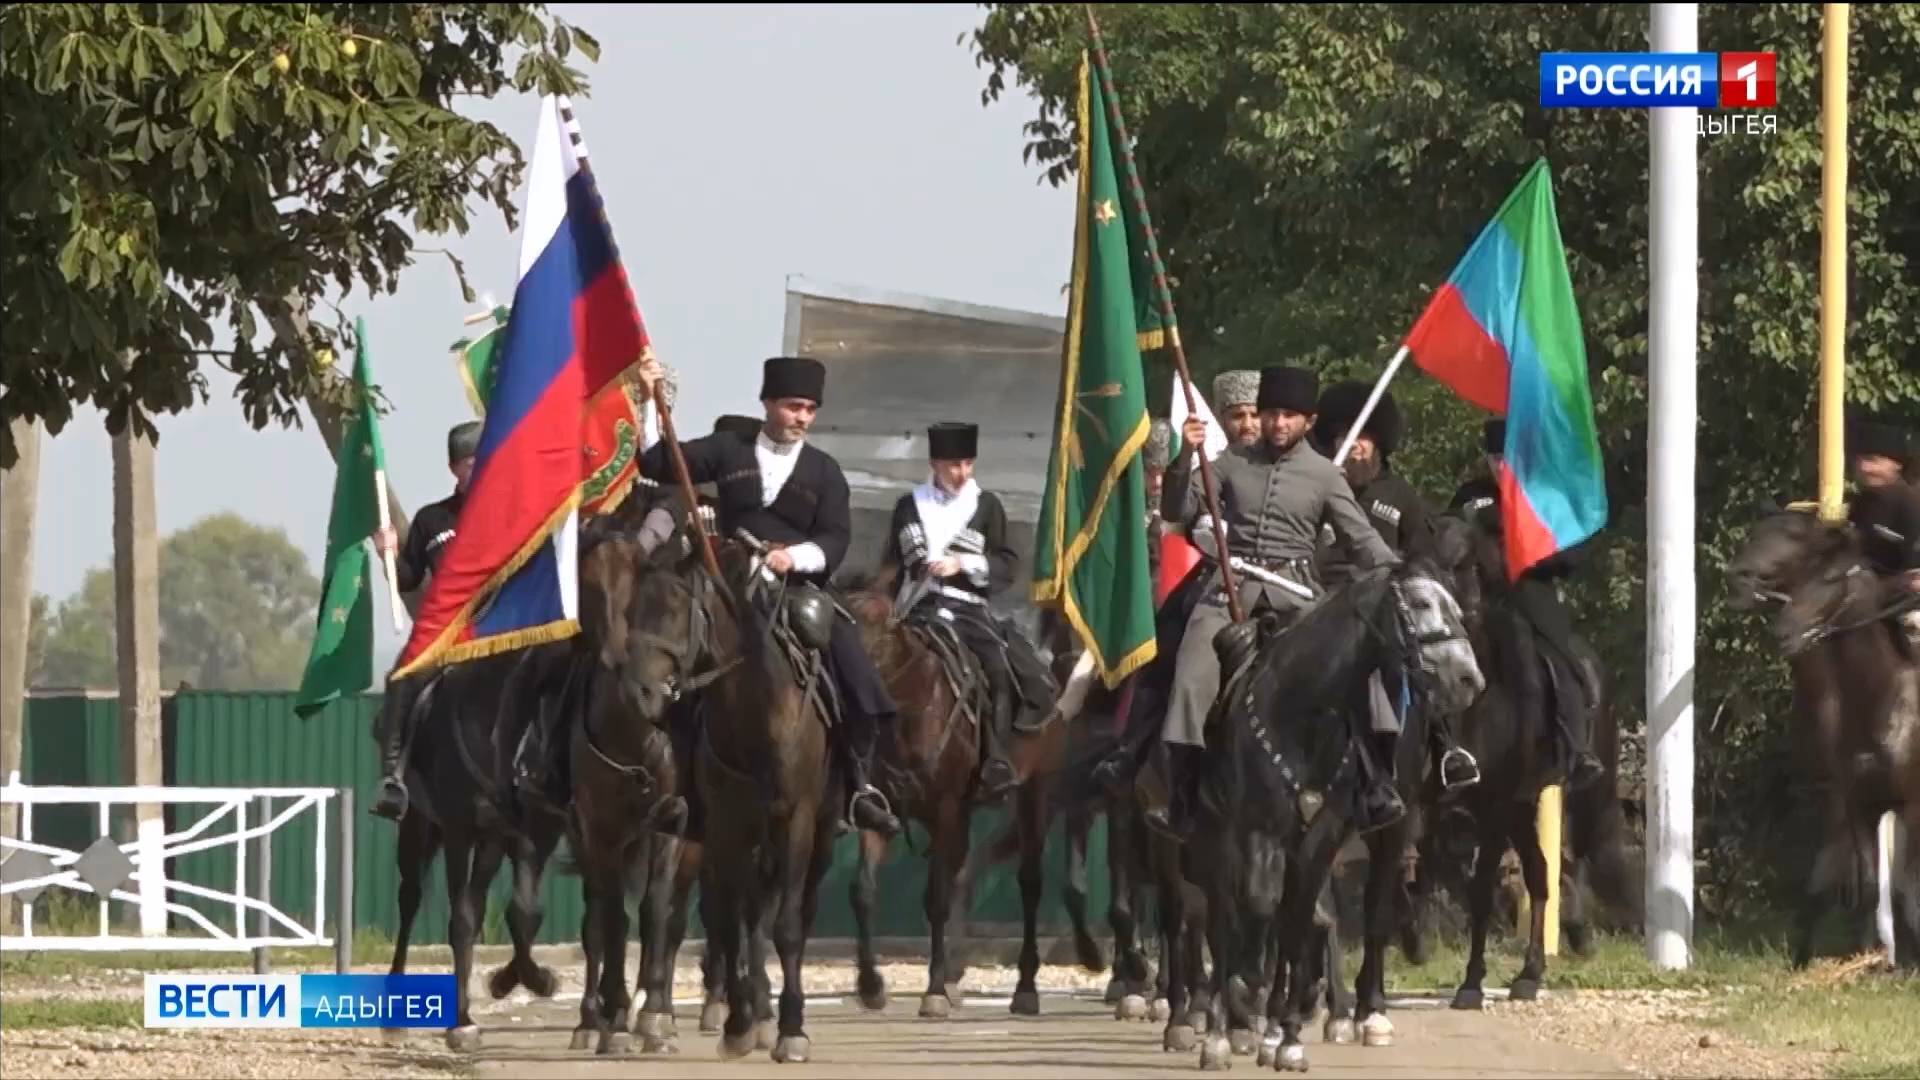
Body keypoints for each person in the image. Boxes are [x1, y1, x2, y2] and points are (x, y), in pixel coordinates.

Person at [631, 354, 905, 839]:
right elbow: (658, 462)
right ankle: (679, 792)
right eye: (793, 406)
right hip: (729, 588)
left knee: (856, 671)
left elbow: (835, 540)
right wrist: (651, 399)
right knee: (678, 664)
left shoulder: (825, 472)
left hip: (800, 588)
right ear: (768, 404)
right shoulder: (728, 449)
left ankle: (859, 788)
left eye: (809, 410)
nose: (801, 417)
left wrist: (793, 557)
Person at [1151, 364, 1404, 840]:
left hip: (1298, 596)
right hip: (1232, 591)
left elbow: (1362, 540)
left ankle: (1376, 784)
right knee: (1190, 673)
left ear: (1308, 422)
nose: (1277, 424)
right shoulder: (1230, 462)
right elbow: (1176, 511)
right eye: (1270, 414)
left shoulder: (1326, 476)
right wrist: (1185, 454)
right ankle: (1181, 799)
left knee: (1360, 675)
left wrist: (1398, 574)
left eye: (1289, 415)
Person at [1091, 372, 1264, 796]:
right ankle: (1132, 752)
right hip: (1212, 580)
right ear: (1222, 420)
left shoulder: (1286, 463)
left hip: (1278, 578)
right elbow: (1175, 509)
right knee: (1165, 646)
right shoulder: (1214, 467)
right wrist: (1186, 455)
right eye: (1237, 415)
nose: (1247, 424)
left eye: (1254, 414)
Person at [1311, 380, 1481, 792]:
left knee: (1417, 664)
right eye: (1344, 438)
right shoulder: (1315, 484)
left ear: (1379, 445)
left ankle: (1445, 748)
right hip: (1316, 596)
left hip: (1381, 605)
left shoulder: (1400, 494)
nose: (1354, 447)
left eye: (1362, 439)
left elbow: (1422, 553)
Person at [882, 421, 1054, 802]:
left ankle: (995, 756)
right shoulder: (909, 506)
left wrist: (962, 564)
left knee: (995, 663)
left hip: (968, 609)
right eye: (952, 465)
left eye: (967, 464)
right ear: (934, 464)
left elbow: (1007, 563)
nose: (961, 473)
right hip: (919, 607)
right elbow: (892, 564)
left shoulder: (987, 505)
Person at [1450, 419, 1606, 793]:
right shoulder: (1471, 496)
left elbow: (1573, 554)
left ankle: (1576, 747)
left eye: (1510, 458)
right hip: (1477, 596)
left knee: (1562, 661)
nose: (1501, 466)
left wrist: (1528, 555)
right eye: (1495, 457)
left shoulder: (1545, 497)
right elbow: (1447, 533)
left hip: (1530, 594)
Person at [367, 420, 482, 820]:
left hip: (501, 625)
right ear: (456, 468)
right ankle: (393, 778)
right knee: (401, 677)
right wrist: (388, 553)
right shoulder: (432, 519)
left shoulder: (509, 512)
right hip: (447, 629)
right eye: (474, 461)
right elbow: (409, 577)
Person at [1845, 418, 1920, 650]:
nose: (1865, 468)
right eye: (1861, 461)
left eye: (1873, 461)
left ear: (1895, 464)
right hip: (1864, 596)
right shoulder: (1860, 503)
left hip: (1907, 602)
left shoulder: (1911, 505)